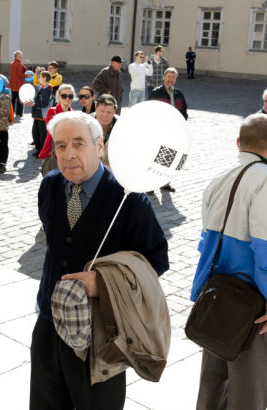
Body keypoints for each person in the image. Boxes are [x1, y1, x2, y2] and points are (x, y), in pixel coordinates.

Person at [31, 110, 169, 410]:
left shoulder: (128, 198)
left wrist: (104, 282)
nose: (68, 154)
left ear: (100, 146)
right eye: (61, 145)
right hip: (48, 320)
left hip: (100, 334)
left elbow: (156, 260)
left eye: (79, 143)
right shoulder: (50, 185)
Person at [190, 113, 267, 410]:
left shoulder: (218, 179)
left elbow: (205, 242)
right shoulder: (264, 181)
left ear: (239, 143)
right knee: (249, 393)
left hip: (216, 296)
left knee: (212, 385)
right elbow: (264, 250)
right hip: (251, 305)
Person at [38, 84, 75, 175]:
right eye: (64, 96)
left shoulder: (74, 114)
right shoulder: (52, 111)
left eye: (70, 96)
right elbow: (54, 132)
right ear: (58, 97)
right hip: (54, 154)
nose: (67, 99)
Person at [27, 70, 53, 157]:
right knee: (35, 133)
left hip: (42, 116)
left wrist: (34, 104)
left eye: (40, 77)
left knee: (42, 135)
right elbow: (37, 99)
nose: (39, 79)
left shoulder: (48, 89)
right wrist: (32, 101)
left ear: (45, 78)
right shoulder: (41, 87)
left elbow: (44, 103)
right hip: (37, 115)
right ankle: (38, 149)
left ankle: (42, 151)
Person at [91, 94, 119, 168]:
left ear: (115, 111)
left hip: (113, 169)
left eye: (109, 112)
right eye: (102, 111)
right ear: (96, 108)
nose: (105, 115)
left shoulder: (121, 125)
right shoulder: (84, 123)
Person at [8, 50, 26, 117]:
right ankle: (19, 113)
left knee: (12, 99)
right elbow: (20, 74)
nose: (21, 57)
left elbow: (10, 73)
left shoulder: (11, 64)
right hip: (19, 84)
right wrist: (27, 75)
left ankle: (11, 113)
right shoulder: (19, 64)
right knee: (20, 99)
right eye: (20, 56)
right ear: (16, 57)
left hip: (13, 83)